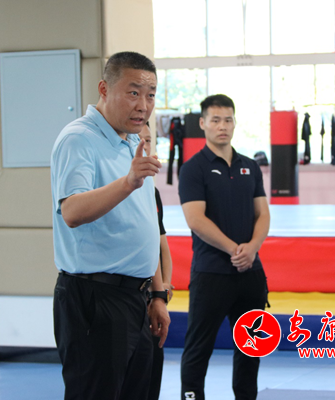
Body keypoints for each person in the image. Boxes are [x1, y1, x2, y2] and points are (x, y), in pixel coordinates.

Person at [50, 51, 170, 400]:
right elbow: (72, 211)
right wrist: (128, 182)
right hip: (96, 297)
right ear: (104, 89)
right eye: (133, 93)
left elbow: (146, 227)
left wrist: (157, 294)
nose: (143, 106)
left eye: (150, 95)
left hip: (138, 297)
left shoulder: (133, 141)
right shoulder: (78, 138)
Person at [178, 94, 270, 400]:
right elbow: (195, 219)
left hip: (249, 273)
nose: (222, 126)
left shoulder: (250, 167)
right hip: (211, 273)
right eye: (215, 120)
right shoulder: (193, 169)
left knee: (251, 348)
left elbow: (263, 213)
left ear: (234, 123)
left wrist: (252, 248)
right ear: (203, 123)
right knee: (198, 349)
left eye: (228, 120)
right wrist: (234, 249)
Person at [138, 122, 175, 400]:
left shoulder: (152, 191)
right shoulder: (115, 187)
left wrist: (162, 289)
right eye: (139, 141)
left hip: (151, 296)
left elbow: (160, 244)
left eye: (149, 141)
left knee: (151, 370)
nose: (145, 147)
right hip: (125, 294)